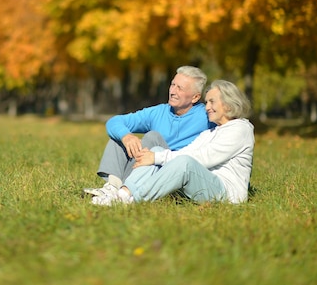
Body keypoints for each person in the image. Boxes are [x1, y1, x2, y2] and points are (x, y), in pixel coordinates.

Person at [91, 79, 254, 206]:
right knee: (155, 149)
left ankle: (132, 198)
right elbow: (190, 150)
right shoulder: (210, 132)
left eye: (212, 102)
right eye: (207, 102)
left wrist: (156, 158)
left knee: (182, 162)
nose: (206, 107)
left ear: (228, 103)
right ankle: (123, 193)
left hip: (227, 193)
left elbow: (203, 158)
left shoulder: (240, 129)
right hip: (204, 185)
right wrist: (154, 155)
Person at [83, 66, 213, 198]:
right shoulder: (158, 112)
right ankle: (113, 187)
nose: (173, 91)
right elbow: (114, 122)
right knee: (118, 135)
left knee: (153, 136)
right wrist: (126, 136)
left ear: (195, 97)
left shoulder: (207, 115)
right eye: (173, 85)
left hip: (177, 176)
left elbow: (230, 125)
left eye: (180, 88)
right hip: (145, 169)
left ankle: (125, 191)